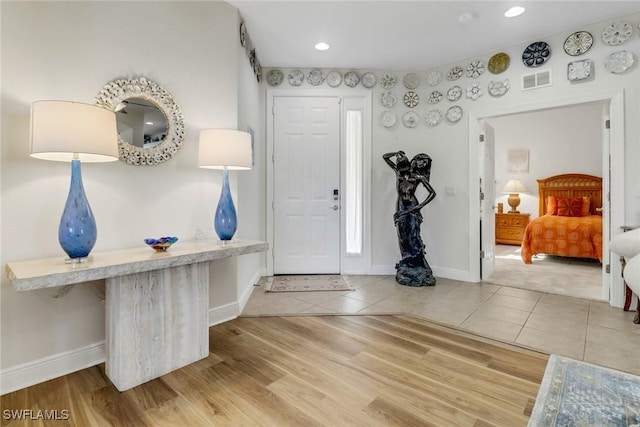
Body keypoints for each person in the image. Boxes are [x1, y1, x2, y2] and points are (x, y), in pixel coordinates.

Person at [383, 151, 436, 286]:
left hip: (412, 208)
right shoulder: (398, 173)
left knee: (414, 236)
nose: (402, 168)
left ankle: (418, 263)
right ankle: (407, 263)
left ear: (409, 165)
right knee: (403, 237)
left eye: (403, 165)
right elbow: (385, 157)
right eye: (400, 165)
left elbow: (432, 193)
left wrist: (418, 207)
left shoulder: (417, 177)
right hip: (400, 208)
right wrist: (395, 152)